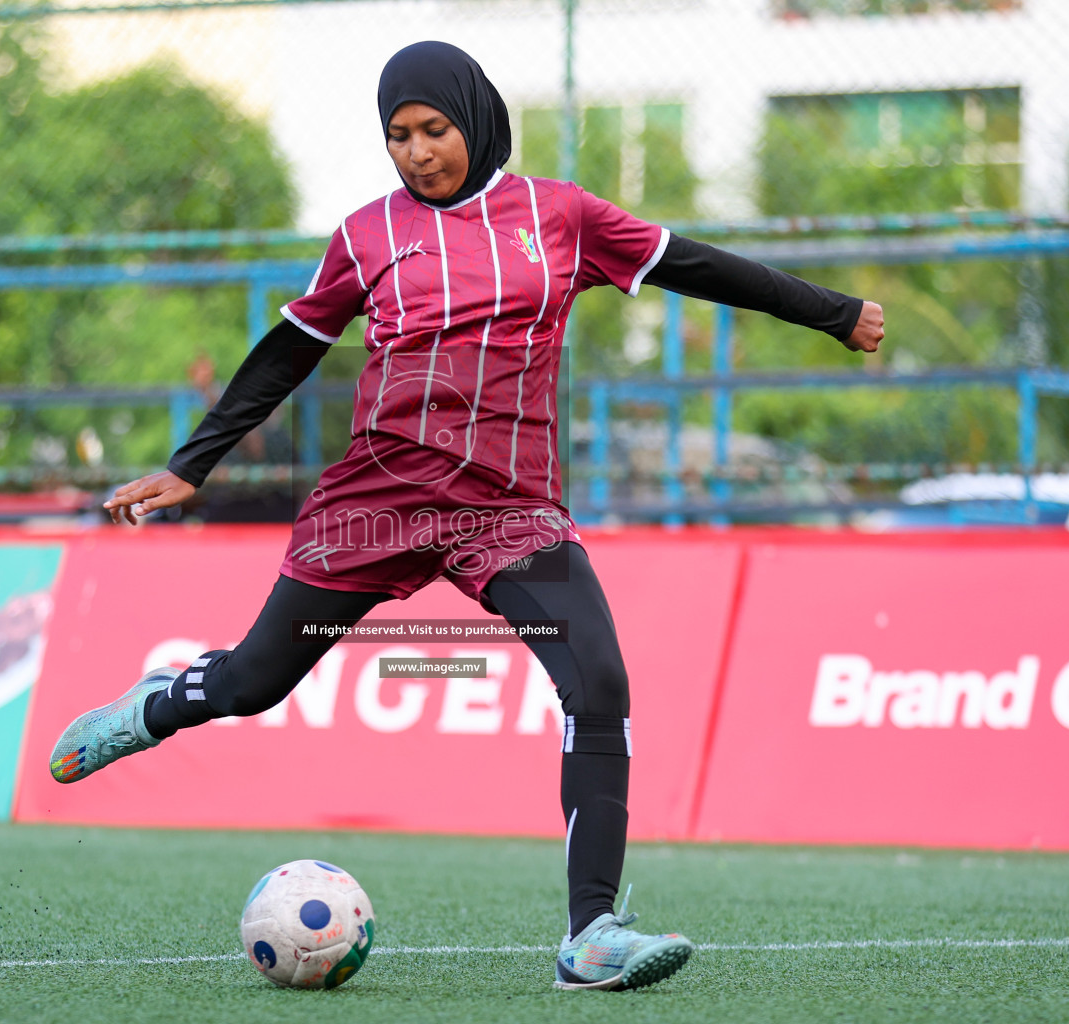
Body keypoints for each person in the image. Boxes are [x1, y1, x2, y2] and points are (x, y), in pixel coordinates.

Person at [50, 41, 884, 991]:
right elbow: (290, 350)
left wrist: (832, 312)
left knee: (599, 683)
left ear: (476, 121)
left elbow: (696, 265)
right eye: (397, 136)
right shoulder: (367, 234)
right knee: (251, 684)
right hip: (376, 505)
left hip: (509, 512)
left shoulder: (561, 216)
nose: (416, 152)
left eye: (433, 130)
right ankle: (154, 706)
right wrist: (191, 466)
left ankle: (592, 933)